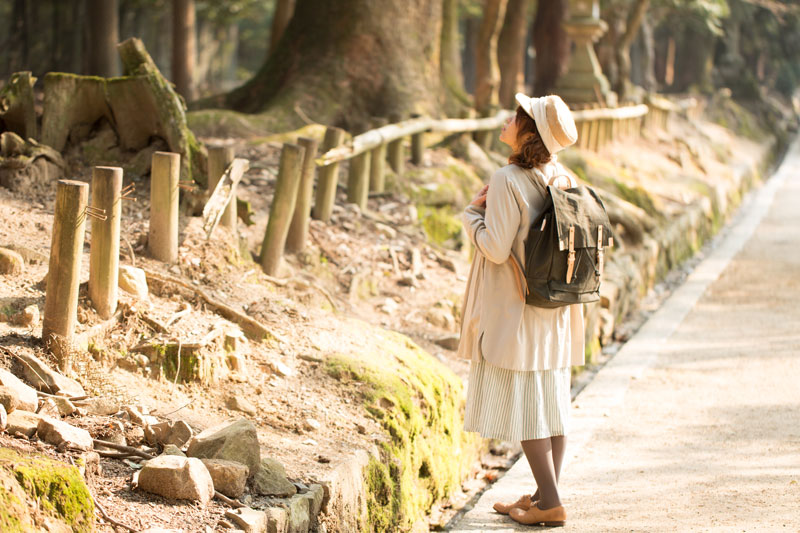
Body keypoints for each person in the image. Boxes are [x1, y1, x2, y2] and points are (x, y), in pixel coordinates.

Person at [458, 93, 583, 527]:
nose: (507, 121)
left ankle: (549, 502)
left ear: (529, 131)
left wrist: (473, 215)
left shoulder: (508, 178)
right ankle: (543, 495)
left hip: (518, 304)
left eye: (516, 117)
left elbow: (494, 248)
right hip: (555, 306)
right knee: (550, 402)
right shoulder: (561, 175)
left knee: (532, 406)